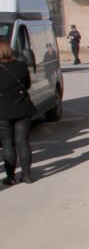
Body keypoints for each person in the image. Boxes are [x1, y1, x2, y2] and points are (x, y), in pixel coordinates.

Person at [0, 40, 35, 184]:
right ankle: (27, 176)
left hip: (3, 111)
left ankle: (10, 177)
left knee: (7, 144)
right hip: (22, 108)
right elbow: (27, 84)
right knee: (23, 143)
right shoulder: (21, 66)